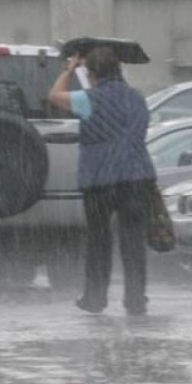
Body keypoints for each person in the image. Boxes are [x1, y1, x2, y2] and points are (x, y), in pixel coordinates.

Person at [48, 46, 157, 316]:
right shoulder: (137, 98)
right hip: (137, 176)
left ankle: (95, 298)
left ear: (92, 74)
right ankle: (135, 300)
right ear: (118, 70)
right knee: (133, 241)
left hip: (100, 179)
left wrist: (69, 69)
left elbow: (53, 96)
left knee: (99, 240)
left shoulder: (88, 99)